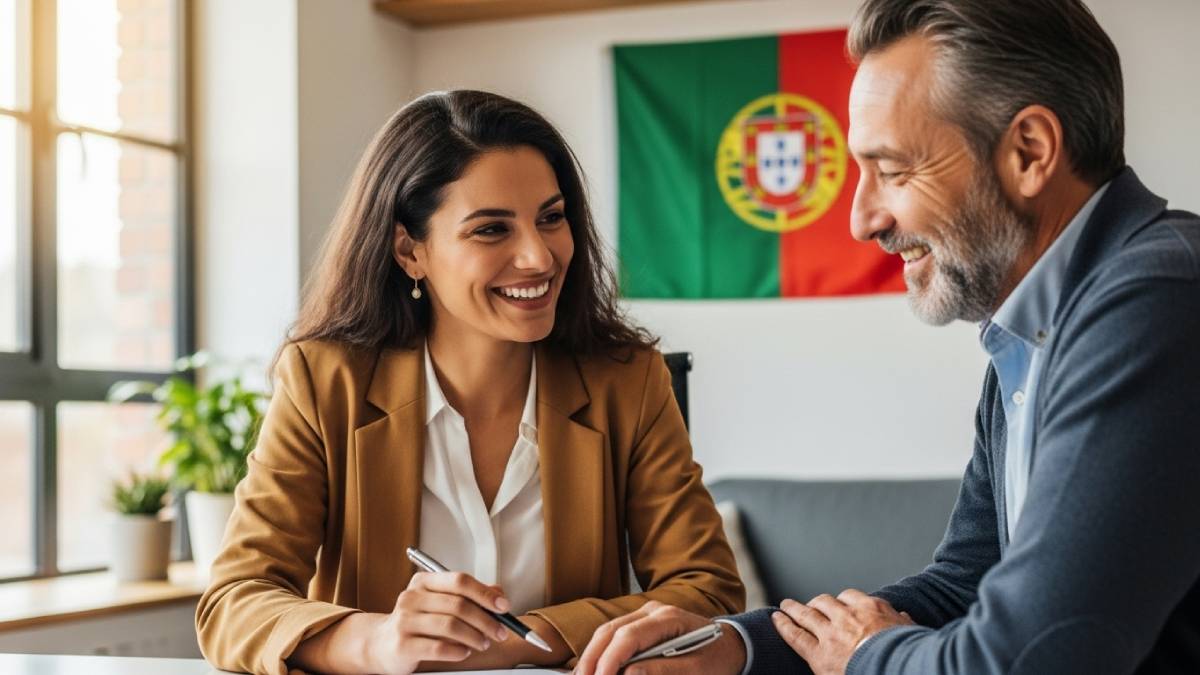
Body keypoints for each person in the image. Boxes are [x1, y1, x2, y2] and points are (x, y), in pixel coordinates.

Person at [575, 1, 1200, 673]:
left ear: (1030, 151)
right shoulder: (1033, 327)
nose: (862, 219)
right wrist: (736, 645)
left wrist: (867, 653)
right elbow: (962, 586)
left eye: (894, 171)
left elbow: (1029, 659)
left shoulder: (1158, 298)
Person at [194, 90, 744, 675]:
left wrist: (519, 640)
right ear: (410, 251)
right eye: (491, 230)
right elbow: (234, 603)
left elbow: (708, 593)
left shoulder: (627, 380)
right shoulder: (326, 380)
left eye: (551, 218)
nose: (539, 257)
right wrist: (378, 641)